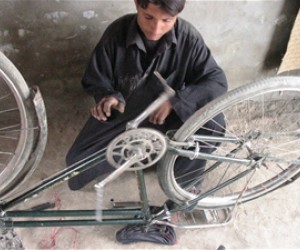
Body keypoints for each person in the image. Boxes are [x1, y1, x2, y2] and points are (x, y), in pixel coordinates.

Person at [66, 0, 228, 191]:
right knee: (76, 163)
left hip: (171, 116)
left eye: (167, 20)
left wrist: (177, 101)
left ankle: (184, 183)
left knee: (212, 123)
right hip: (127, 115)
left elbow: (216, 81)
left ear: (177, 15)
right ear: (137, 4)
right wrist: (108, 97)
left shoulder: (188, 38)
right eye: (149, 17)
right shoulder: (117, 33)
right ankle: (149, 152)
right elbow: (96, 77)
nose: (156, 28)